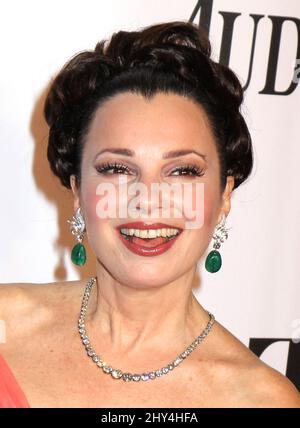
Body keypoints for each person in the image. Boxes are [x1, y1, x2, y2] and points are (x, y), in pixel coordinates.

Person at [0, 20, 299, 408]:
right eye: (117, 169)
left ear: (224, 194)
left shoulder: (262, 400)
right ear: (77, 190)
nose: (148, 199)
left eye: (183, 171)